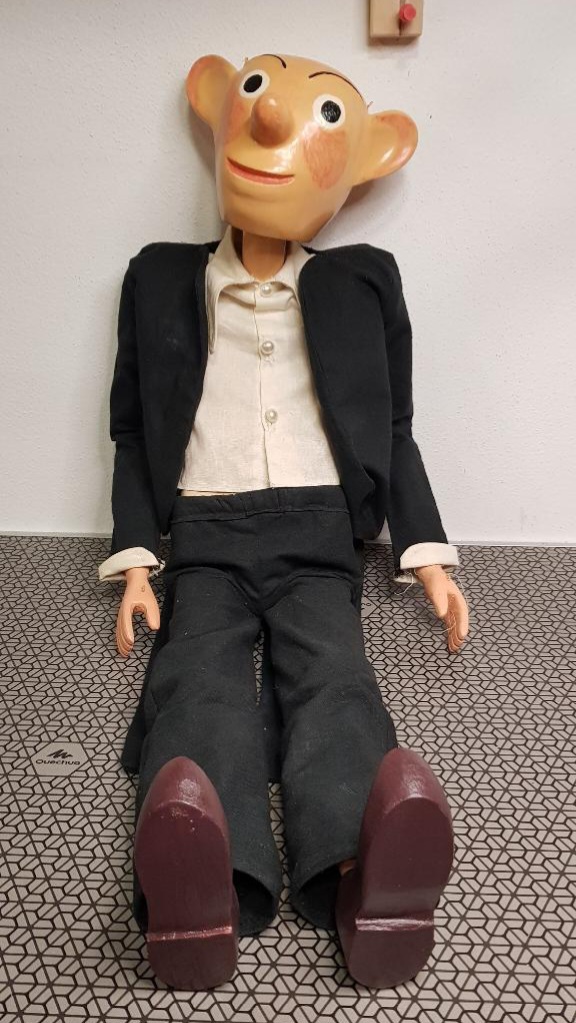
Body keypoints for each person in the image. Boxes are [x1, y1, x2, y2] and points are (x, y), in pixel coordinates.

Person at [99, 52, 469, 990]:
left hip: (319, 534)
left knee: (334, 677)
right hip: (206, 537)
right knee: (198, 679)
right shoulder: (159, 277)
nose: (269, 130)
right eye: (254, 100)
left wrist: (427, 554)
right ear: (219, 114)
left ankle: (360, 875)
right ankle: (203, 883)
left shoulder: (363, 282)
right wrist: (138, 559)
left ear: (366, 161)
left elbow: (394, 426)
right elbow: (134, 431)